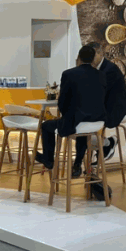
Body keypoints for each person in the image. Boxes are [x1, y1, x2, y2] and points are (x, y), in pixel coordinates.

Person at [34, 45, 107, 177]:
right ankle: (77, 164)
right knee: (82, 129)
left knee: (46, 126)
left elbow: (62, 102)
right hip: (97, 121)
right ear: (93, 59)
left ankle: (48, 159)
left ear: (78, 58)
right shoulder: (101, 75)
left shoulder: (69, 74)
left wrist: (66, 114)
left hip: (77, 120)